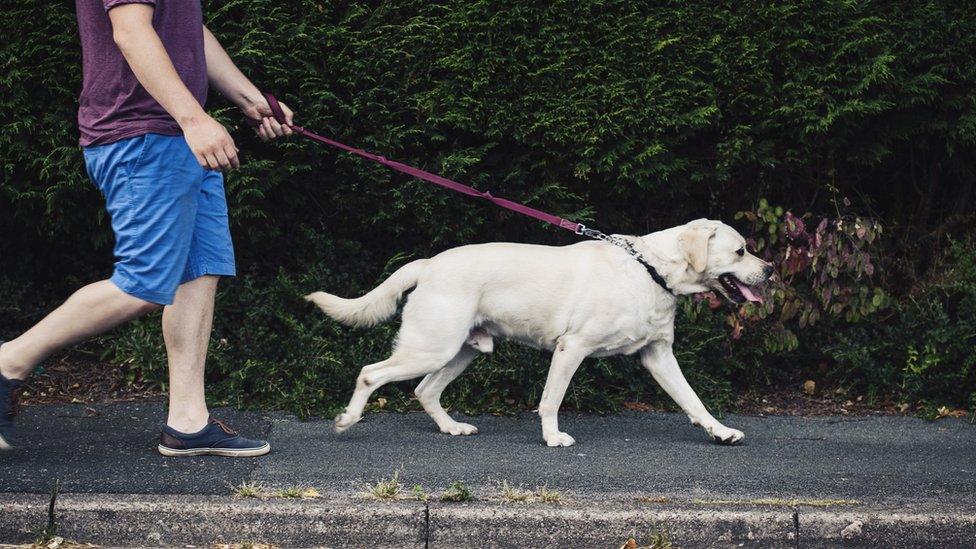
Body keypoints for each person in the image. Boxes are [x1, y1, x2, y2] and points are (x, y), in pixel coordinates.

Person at [0, 0, 294, 456]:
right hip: (142, 133)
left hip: (177, 135)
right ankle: (7, 361)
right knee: (144, 283)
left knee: (199, 270)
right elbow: (131, 32)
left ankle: (188, 423)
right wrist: (194, 118)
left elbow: (189, 30)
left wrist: (250, 98)